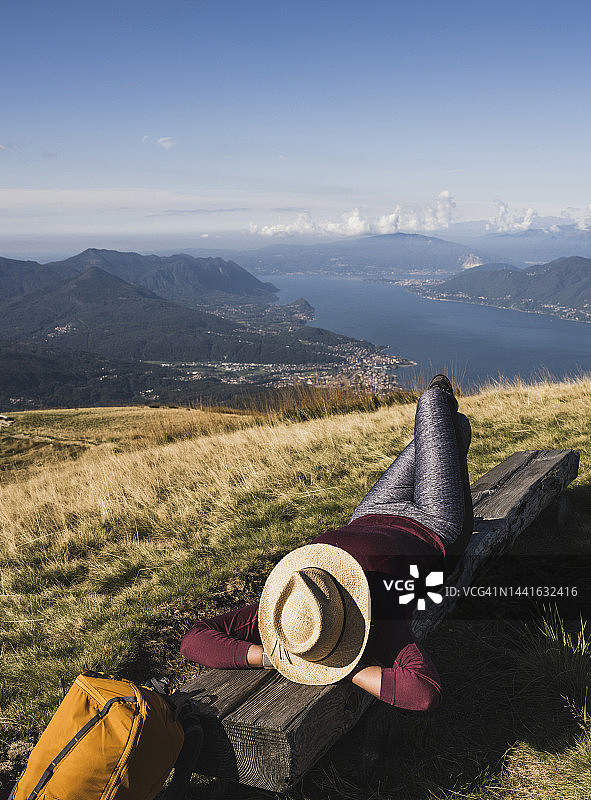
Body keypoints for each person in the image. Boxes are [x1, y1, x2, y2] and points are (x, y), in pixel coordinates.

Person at [180, 375, 473, 711]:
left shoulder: (293, 607)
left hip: (370, 512)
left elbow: (193, 640)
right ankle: (444, 401)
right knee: (435, 409)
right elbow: (423, 693)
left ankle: (454, 439)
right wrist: (347, 667)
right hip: (433, 526)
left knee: (453, 430)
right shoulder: (381, 619)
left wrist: (271, 657)